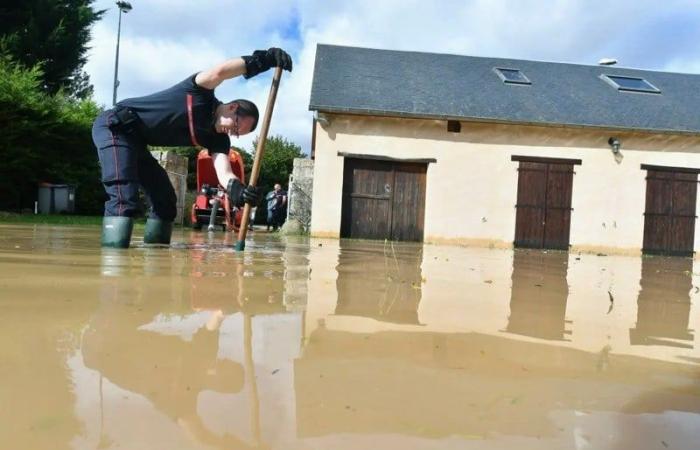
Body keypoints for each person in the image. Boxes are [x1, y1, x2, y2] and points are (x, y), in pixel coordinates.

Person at [92, 48, 293, 248]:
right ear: (232, 108)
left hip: (136, 142)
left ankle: (156, 258)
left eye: (238, 133)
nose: (233, 132)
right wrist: (263, 60)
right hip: (115, 127)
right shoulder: (199, 93)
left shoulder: (218, 139)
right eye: (236, 126)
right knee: (123, 194)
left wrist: (240, 192)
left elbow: (224, 174)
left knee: (165, 200)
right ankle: (114, 264)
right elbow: (220, 71)